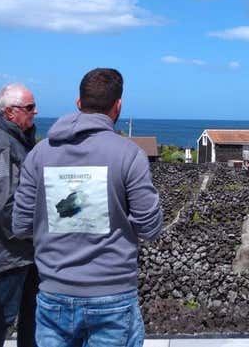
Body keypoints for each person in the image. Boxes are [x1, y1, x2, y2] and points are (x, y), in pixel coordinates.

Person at [12, 68, 163, 347]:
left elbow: (20, 225)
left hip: (53, 293)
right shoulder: (129, 155)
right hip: (113, 296)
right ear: (118, 106)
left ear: (78, 103)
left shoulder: (40, 154)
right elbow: (150, 227)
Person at [0, 84, 39, 347]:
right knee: (2, 317)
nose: (35, 112)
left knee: (31, 317)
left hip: (23, 252)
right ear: (10, 112)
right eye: (29, 107)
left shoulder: (18, 141)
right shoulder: (2, 145)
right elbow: (3, 204)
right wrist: (31, 235)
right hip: (10, 253)